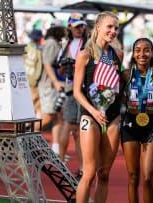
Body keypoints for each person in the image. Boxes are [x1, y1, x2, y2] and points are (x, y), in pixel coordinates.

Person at [73, 11, 123, 203]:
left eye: (116, 28)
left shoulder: (118, 54)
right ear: (98, 26)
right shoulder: (85, 55)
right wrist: (94, 111)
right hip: (90, 115)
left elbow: (120, 87)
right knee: (89, 172)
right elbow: (77, 91)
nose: (113, 31)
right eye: (109, 27)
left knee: (104, 173)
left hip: (113, 117)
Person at [121, 38, 153, 203]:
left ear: (152, 53)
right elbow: (116, 97)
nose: (142, 54)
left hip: (151, 126)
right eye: (138, 50)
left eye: (146, 50)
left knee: (147, 178)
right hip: (130, 125)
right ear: (133, 53)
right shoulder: (126, 75)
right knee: (132, 176)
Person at [57, 13, 87, 174]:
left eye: (81, 26)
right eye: (76, 26)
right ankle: (61, 162)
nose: (79, 29)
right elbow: (60, 70)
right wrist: (66, 64)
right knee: (69, 125)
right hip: (70, 89)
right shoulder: (64, 44)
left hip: (84, 89)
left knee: (79, 130)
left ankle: (82, 168)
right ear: (70, 27)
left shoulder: (88, 43)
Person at [38, 19, 66, 155]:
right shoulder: (51, 43)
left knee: (59, 116)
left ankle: (56, 148)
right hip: (48, 85)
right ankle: (26, 134)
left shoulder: (54, 43)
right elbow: (47, 64)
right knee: (48, 116)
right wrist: (55, 82)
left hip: (53, 85)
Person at [23, 29, 43, 131]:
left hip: (24, 79)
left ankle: (27, 126)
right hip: (33, 81)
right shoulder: (39, 50)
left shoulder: (26, 48)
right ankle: (32, 129)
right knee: (38, 107)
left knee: (27, 104)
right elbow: (39, 68)